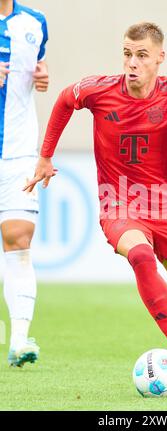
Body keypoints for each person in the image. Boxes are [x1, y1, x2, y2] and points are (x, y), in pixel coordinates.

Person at [25, 22, 167, 392]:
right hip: (118, 203)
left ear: (159, 58)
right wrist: (45, 156)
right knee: (139, 255)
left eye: (141, 55)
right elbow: (63, 100)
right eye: (126, 53)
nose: (132, 62)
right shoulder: (99, 89)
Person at [0, 0, 49, 367]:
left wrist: (42, 76)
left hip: (18, 154)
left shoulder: (35, 22)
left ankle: (18, 342)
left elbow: (37, 68)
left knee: (18, 240)